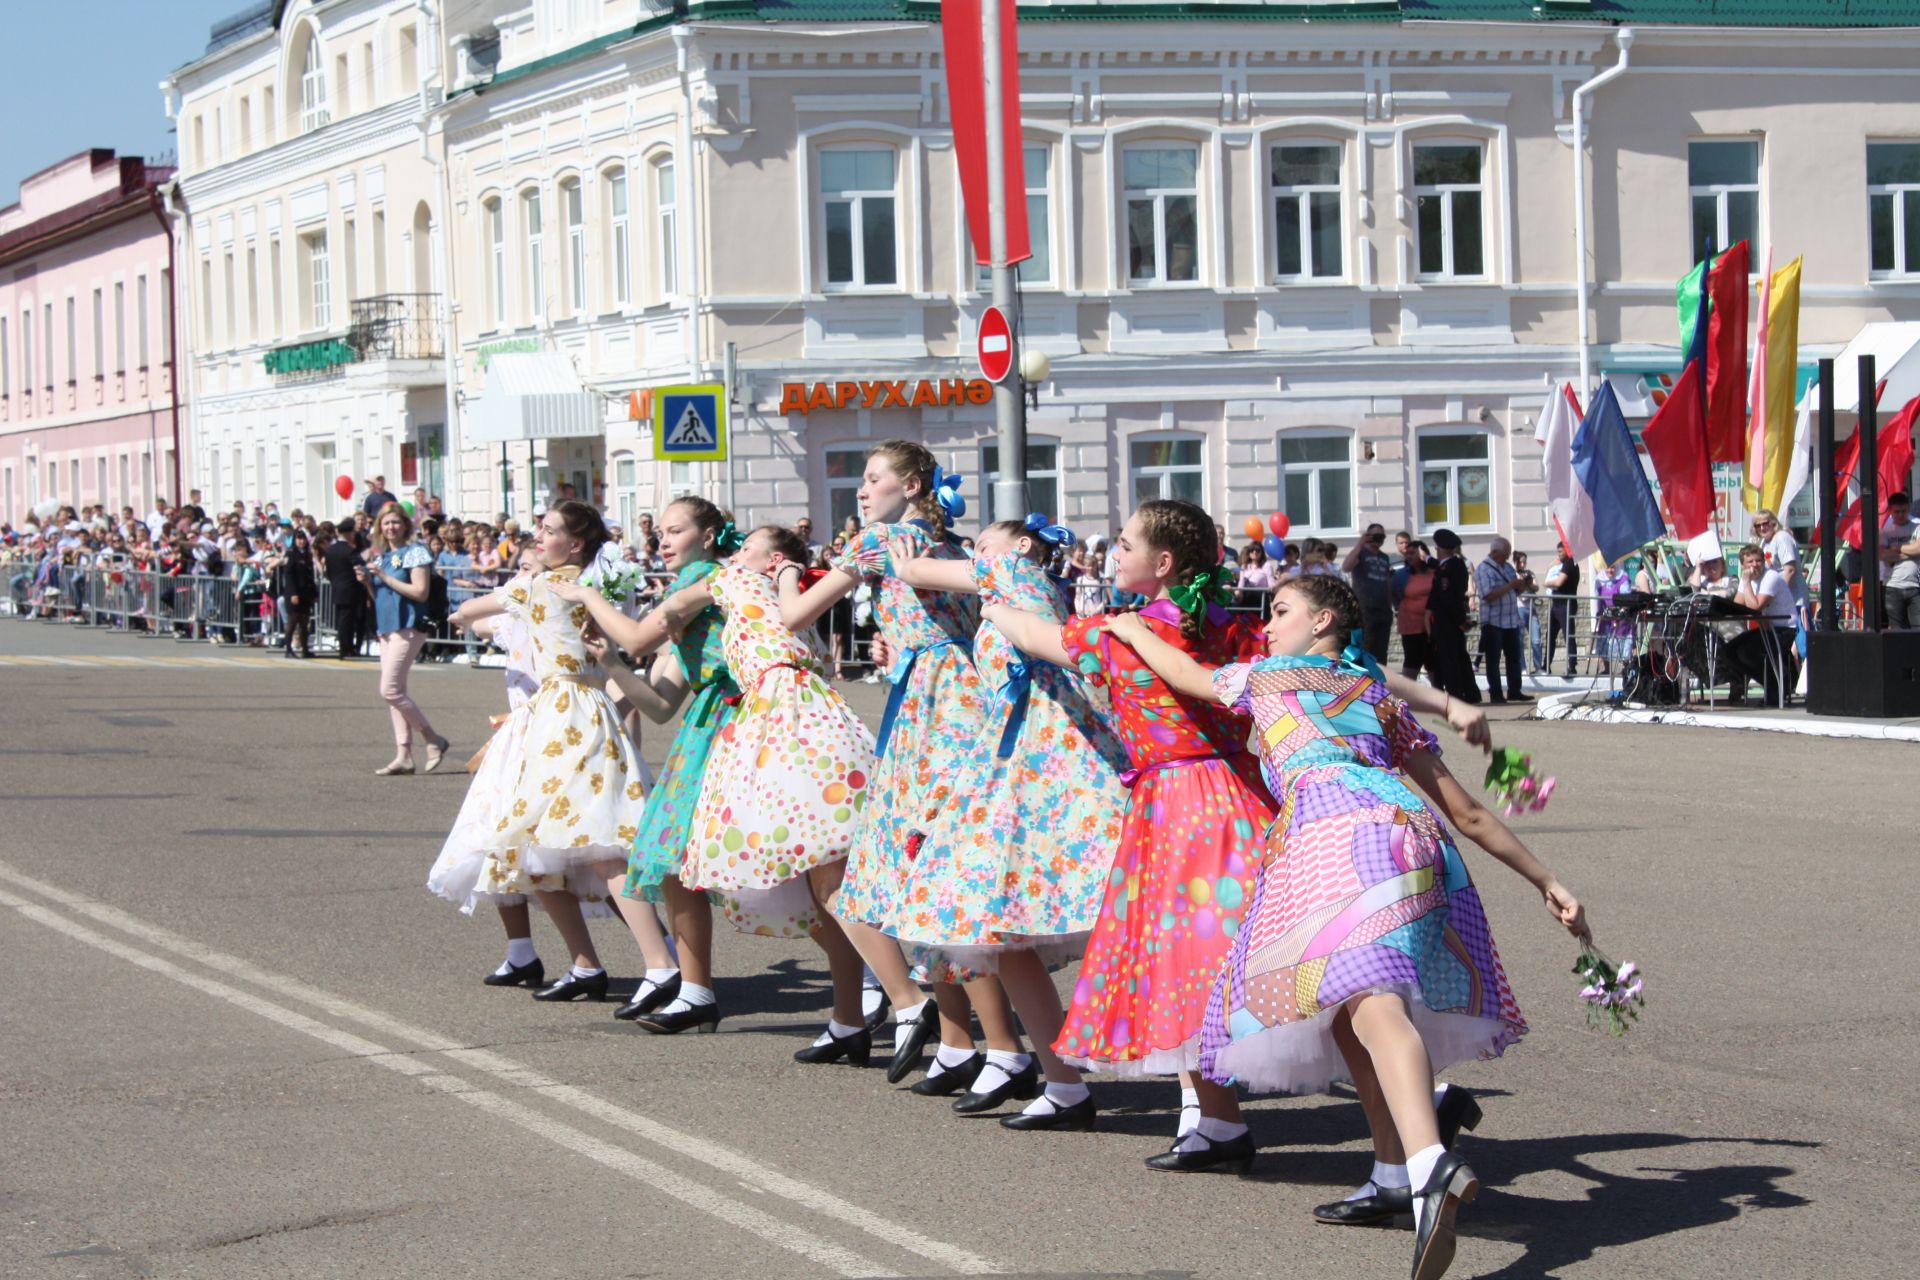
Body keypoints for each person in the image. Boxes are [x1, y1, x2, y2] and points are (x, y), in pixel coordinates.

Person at [1106, 574, 1583, 1280]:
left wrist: (1132, 631)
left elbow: (1189, 678)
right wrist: (1548, 880)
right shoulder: (1376, 698)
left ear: (1322, 619)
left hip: (1334, 837)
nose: (1266, 625)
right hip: (1413, 836)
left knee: (1374, 1001)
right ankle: (1394, 1171)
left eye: (1280, 610)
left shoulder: (1267, 676)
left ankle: (1427, 1165)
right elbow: (1470, 813)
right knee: (1347, 1013)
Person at [887, 516, 1126, 1128]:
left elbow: (915, 570)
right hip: (1019, 756)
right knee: (1002, 924)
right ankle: (1062, 1083)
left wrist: (900, 546)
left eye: (984, 541)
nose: (976, 551)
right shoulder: (1020, 590)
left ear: (1020, 546)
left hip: (1045, 757)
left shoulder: (1009, 571)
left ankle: (1182, 1091)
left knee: (1083, 915)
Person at [773, 441, 996, 1084]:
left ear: (915, 483)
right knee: (935, 862)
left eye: (874, 480)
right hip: (966, 692)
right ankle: (957, 1042)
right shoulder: (956, 544)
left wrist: (785, 572)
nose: (863, 492)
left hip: (930, 702)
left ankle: (963, 1034)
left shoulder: (882, 542)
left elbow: (796, 616)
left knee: (905, 861)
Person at [444, 501, 649, 1003]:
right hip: (587, 709)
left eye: (549, 530)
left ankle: (645, 961)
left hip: (557, 714)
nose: (538, 536)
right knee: (585, 840)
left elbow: (471, 611)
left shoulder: (539, 585)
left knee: (559, 839)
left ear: (574, 544)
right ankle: (615, 961)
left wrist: (461, 613)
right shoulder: (597, 588)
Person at [550, 496, 739, 1026]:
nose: (663, 540)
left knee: (785, 868)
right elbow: (659, 705)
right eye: (659, 531)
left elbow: (637, 635)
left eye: (675, 530)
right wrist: (608, 659)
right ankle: (695, 990)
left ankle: (874, 985)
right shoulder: (692, 596)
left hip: (737, 723)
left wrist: (587, 591)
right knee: (673, 860)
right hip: (704, 725)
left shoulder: (702, 580)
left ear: (707, 536)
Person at [366, 505, 451, 776]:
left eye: (395, 522)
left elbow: (420, 592)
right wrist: (368, 582)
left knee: (389, 690)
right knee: (396, 692)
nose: (390, 527)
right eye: (386, 523)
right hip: (387, 628)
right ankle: (404, 755)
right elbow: (381, 597)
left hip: (410, 626)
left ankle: (433, 739)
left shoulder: (416, 552)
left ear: (405, 525)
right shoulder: (381, 557)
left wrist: (384, 578)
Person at [1730, 543, 1798, 708]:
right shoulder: (1746, 579)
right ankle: (1773, 684)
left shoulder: (1771, 577)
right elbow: (1737, 605)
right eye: (1750, 562)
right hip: (1766, 628)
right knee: (1732, 650)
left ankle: (1779, 686)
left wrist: (1746, 583)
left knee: (1746, 651)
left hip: (1783, 628)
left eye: (1758, 561)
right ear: (1743, 565)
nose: (1755, 565)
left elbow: (1754, 606)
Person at [1472, 537, 1530, 705]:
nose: (1507, 557)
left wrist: (1522, 584)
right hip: (1493, 621)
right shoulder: (1483, 569)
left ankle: (1515, 690)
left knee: (1513, 658)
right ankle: (1496, 694)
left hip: (1511, 620)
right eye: (1505, 554)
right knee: (1493, 660)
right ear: (1495, 552)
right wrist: (1511, 585)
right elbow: (1487, 595)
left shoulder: (1508, 567)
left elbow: (1516, 591)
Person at [1426, 530, 1480, 705]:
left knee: (1450, 659)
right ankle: (1470, 692)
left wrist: (1459, 621)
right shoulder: (1455, 564)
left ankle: (1456, 695)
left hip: (1447, 621)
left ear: (1439, 548)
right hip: (1453, 620)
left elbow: (1448, 597)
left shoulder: (1448, 568)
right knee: (1459, 657)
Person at [1341, 523, 1394, 660]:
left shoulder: (1384, 557)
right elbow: (1346, 567)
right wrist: (1360, 543)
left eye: (1382, 536)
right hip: (1365, 610)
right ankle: (1366, 680)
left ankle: (1380, 680)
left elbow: (1387, 582)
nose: (1379, 539)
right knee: (1367, 649)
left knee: (1381, 651)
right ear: (1368, 536)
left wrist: (1389, 607)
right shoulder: (1361, 553)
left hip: (1383, 610)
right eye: (1376, 535)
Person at [319, 523, 368, 658]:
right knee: (348, 621)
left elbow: (327, 571)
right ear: (349, 534)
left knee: (342, 620)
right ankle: (347, 648)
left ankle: (344, 648)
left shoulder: (330, 550)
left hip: (337, 588)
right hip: (350, 589)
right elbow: (360, 565)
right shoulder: (349, 550)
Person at [1393, 539, 1437, 684]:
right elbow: (1396, 595)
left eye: (1413, 553)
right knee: (1412, 660)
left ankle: (1438, 693)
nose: (1409, 556)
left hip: (1432, 624)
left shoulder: (1434, 572)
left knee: (1433, 659)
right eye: (1407, 554)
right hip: (1411, 624)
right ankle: (1407, 695)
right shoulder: (1401, 576)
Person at [271, 528, 318, 658]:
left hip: (305, 594)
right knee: (292, 622)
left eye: (303, 539)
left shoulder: (307, 555)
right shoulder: (291, 554)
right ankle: (288, 649)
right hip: (294, 593)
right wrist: (292, 593)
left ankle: (305, 649)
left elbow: (310, 577)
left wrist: (314, 594)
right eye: (298, 539)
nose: (301, 541)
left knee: (304, 623)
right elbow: (289, 575)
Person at [1879, 493, 1920, 629]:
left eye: (1903, 511)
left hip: (1915, 586)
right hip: (1893, 587)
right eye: (1897, 512)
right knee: (1897, 631)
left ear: (1908, 509)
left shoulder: (1917, 528)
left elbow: (1918, 549)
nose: (1901, 515)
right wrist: (1910, 553)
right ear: (1890, 511)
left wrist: (1897, 548)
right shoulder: (1885, 532)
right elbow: (1884, 556)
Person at [1543, 546, 1581, 677]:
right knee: (1550, 635)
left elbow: (1559, 582)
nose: (1558, 554)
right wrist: (1550, 567)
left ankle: (1572, 666)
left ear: (1567, 551)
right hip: (1557, 603)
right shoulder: (1564, 564)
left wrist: (1546, 584)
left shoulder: (1570, 563)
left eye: (1560, 551)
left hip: (1566, 604)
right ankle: (1546, 665)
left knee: (1568, 635)